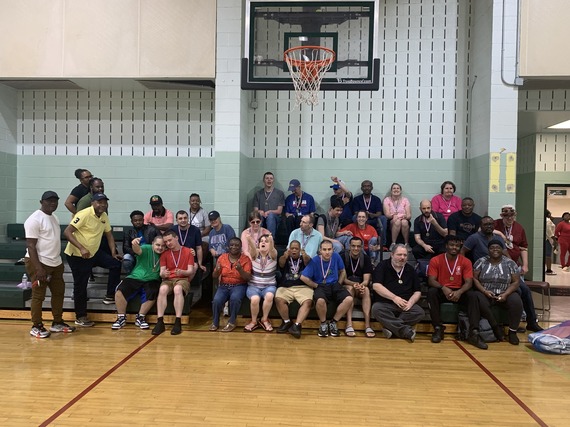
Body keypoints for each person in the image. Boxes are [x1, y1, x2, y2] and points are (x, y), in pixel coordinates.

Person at [64, 193, 121, 327]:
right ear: (92, 203)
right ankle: (80, 316)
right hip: (78, 255)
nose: (102, 205)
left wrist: (113, 253)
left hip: (93, 254)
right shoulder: (83, 214)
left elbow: (109, 235)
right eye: (99, 202)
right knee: (81, 286)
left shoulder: (104, 216)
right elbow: (67, 232)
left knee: (115, 264)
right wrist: (81, 248)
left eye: (104, 202)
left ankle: (109, 295)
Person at [25, 191, 75, 338]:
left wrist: (58, 261)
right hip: (39, 263)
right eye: (49, 201)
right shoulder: (34, 219)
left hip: (55, 262)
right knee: (38, 296)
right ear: (41, 202)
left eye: (55, 201)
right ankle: (36, 325)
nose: (52, 203)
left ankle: (57, 322)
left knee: (59, 292)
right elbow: (31, 245)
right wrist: (38, 268)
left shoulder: (54, 217)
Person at [427, 235, 487, 349]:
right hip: (442, 290)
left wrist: (459, 292)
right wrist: (443, 288)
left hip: (459, 291)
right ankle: (438, 328)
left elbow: (469, 282)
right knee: (431, 292)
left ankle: (474, 332)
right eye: (451, 245)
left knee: (472, 295)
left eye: (457, 245)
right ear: (446, 246)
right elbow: (431, 280)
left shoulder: (466, 261)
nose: (454, 247)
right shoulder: (436, 260)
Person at [493, 205, 543, 332]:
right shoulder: (495, 224)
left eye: (512, 215)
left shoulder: (519, 228)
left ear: (515, 215)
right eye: (506, 216)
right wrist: (500, 234)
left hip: (514, 265)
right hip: (499, 266)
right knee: (519, 291)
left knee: (525, 291)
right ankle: (511, 322)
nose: (509, 218)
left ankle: (531, 321)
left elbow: (523, 247)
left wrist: (525, 264)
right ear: (501, 216)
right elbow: (482, 229)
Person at [473, 239, 524, 345]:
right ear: (488, 250)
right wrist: (484, 291)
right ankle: (494, 326)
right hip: (486, 293)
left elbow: (516, 282)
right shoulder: (481, 261)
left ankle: (512, 332)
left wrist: (505, 294)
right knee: (476, 297)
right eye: (492, 248)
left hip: (505, 292)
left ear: (502, 250)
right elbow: (475, 278)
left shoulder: (510, 263)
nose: (495, 250)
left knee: (516, 301)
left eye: (498, 248)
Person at [371, 244, 424, 342]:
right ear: (392, 255)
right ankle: (405, 331)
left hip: (405, 306)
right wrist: (394, 298)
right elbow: (376, 286)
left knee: (419, 312)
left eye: (405, 255)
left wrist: (411, 302)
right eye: (399, 255)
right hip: (386, 304)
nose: (402, 258)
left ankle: (391, 328)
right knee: (376, 309)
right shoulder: (382, 266)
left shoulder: (410, 269)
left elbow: (417, 291)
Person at [300, 240, 352, 338]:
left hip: (334, 284)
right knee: (320, 301)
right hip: (321, 286)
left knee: (349, 299)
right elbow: (303, 277)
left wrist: (339, 283)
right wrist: (315, 285)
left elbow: (343, 271)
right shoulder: (315, 260)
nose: (327, 252)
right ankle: (323, 324)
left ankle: (333, 322)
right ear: (320, 250)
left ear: (333, 250)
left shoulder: (336, 256)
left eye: (329, 249)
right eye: (324, 249)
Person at [112, 235, 165, 330]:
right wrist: (134, 243)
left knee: (153, 291)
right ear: (153, 244)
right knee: (120, 291)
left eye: (163, 246)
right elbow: (137, 250)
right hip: (135, 277)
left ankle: (140, 317)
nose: (160, 248)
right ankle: (121, 318)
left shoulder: (166, 254)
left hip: (152, 280)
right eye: (158, 245)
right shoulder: (146, 248)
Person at [152, 230, 196, 335]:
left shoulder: (188, 251)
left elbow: (191, 270)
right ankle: (160, 321)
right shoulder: (165, 254)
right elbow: (161, 272)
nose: (168, 243)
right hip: (168, 279)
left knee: (177, 289)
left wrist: (182, 271)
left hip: (183, 278)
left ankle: (178, 321)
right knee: (162, 289)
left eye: (170, 240)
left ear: (176, 238)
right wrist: (164, 274)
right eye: (166, 241)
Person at [210, 237, 252, 332]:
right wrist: (217, 270)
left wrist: (240, 270)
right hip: (224, 285)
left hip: (239, 285)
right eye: (232, 245)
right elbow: (214, 275)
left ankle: (232, 322)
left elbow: (248, 277)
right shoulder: (222, 257)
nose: (234, 247)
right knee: (216, 300)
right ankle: (215, 322)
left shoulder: (245, 259)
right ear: (228, 247)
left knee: (235, 298)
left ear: (241, 247)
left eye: (237, 245)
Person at [275, 240, 312, 338]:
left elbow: (308, 262)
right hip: (286, 287)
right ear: (289, 249)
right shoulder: (285, 258)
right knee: (278, 299)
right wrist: (284, 256)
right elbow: (281, 264)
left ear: (300, 250)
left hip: (303, 287)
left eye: (296, 249)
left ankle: (297, 325)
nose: (294, 250)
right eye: (292, 248)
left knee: (308, 302)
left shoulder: (304, 258)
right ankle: (287, 322)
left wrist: (305, 256)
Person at [244, 234, 278, 332]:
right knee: (255, 299)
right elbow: (253, 249)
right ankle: (254, 322)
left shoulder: (273, 254)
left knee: (269, 296)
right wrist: (249, 239)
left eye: (265, 241)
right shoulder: (255, 254)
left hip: (269, 285)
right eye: (261, 241)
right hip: (254, 285)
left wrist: (271, 241)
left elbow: (272, 250)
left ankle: (264, 319)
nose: (263, 242)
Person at [342, 237, 375, 338]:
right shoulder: (343, 257)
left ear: (361, 247)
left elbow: (366, 280)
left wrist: (361, 285)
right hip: (348, 285)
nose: (355, 248)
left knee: (366, 290)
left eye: (358, 246)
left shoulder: (365, 258)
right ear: (349, 246)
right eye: (353, 246)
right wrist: (353, 284)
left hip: (360, 285)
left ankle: (368, 325)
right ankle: (349, 324)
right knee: (350, 289)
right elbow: (343, 279)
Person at [352, 180, 387, 246]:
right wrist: (364, 215)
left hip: (373, 219)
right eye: (364, 186)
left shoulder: (376, 199)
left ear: (372, 188)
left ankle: (382, 243)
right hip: (362, 220)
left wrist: (371, 215)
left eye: (368, 186)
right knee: (354, 217)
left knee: (383, 218)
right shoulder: (357, 199)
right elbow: (356, 212)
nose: (366, 188)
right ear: (362, 188)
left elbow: (379, 213)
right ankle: (357, 239)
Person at [172, 210, 205, 275]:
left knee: (194, 267)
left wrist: (200, 264)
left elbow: (198, 248)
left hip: (190, 257)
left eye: (185, 218)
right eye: (180, 218)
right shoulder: (172, 230)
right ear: (176, 220)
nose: (183, 220)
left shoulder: (195, 230)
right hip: (176, 257)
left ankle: (186, 284)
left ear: (188, 219)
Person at [252, 171, 285, 237]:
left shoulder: (279, 193)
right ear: (264, 180)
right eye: (267, 178)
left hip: (275, 217)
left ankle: (270, 239)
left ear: (273, 180)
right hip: (262, 216)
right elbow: (255, 210)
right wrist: (260, 211)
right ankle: (257, 239)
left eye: (271, 178)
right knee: (258, 216)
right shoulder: (258, 194)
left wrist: (270, 212)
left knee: (271, 216)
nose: (269, 180)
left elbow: (279, 211)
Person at [382, 182, 412, 250]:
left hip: (404, 219)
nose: (396, 190)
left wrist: (404, 217)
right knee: (397, 221)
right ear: (391, 190)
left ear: (400, 190)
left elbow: (409, 215)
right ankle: (393, 243)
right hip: (392, 220)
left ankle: (406, 244)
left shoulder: (405, 200)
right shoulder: (387, 200)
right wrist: (393, 216)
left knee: (404, 222)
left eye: (398, 188)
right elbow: (387, 214)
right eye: (394, 188)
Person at [545, 210, 557, 275]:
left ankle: (548, 269)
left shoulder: (546, 220)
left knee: (547, 255)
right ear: (548, 214)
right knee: (548, 255)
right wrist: (555, 241)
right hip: (548, 240)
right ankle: (549, 269)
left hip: (546, 239)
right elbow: (549, 232)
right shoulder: (548, 221)